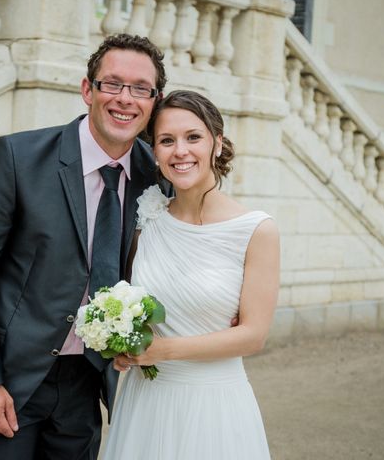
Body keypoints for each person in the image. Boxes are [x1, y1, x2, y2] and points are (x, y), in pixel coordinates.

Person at [0, 34, 167, 459]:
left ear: (154, 100)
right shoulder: (17, 157)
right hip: (7, 378)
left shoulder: (156, 175)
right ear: (88, 90)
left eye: (140, 88)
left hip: (89, 383)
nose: (125, 99)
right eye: (112, 84)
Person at [102, 90, 280, 460]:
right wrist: (124, 346)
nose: (180, 151)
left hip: (213, 402)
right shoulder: (146, 218)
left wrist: (162, 350)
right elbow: (131, 302)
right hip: (145, 400)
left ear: (217, 142)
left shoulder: (255, 230)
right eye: (166, 140)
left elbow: (253, 335)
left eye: (193, 137)